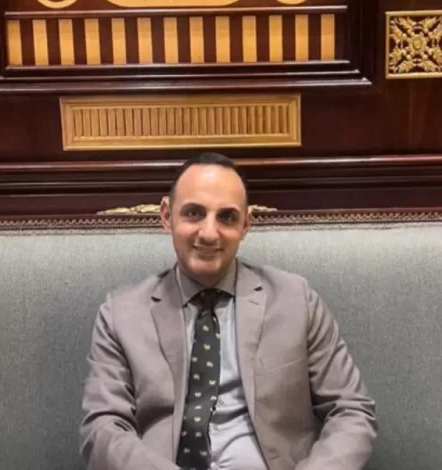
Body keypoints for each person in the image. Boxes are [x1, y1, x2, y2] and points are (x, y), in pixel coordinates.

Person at [79, 152, 377, 470]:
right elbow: (102, 429)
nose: (209, 233)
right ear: (166, 216)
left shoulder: (296, 301)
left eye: (227, 217)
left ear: (246, 224)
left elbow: (351, 411)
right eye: (194, 213)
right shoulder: (121, 314)